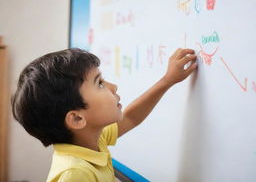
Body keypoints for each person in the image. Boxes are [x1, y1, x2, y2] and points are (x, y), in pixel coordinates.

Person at [12, 47, 197, 182]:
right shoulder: (75, 174)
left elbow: (131, 118)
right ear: (77, 118)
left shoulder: (91, 139)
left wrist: (167, 80)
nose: (113, 86)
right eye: (99, 83)